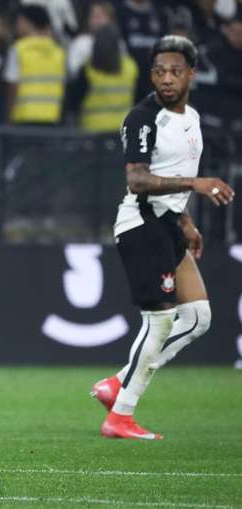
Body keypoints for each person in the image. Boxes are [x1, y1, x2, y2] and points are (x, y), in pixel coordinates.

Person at [91, 35, 235, 440]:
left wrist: (186, 220)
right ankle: (120, 416)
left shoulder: (192, 118)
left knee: (198, 318)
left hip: (169, 221)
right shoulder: (142, 118)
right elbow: (137, 180)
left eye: (175, 71)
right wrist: (197, 184)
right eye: (159, 72)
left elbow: (172, 174)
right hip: (141, 222)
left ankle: (119, 383)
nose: (167, 79)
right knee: (159, 320)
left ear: (191, 74)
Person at [67, 25, 138, 133]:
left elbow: (74, 102)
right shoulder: (131, 67)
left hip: (92, 131)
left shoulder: (88, 71)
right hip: (122, 129)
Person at [3, 5, 65, 125]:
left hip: (24, 117)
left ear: (27, 22)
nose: (17, 26)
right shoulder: (59, 52)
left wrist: (9, 116)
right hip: (53, 117)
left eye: (19, 21)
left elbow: (12, 86)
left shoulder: (18, 49)